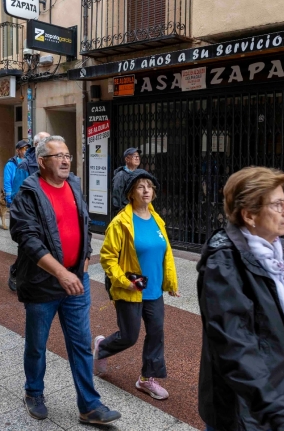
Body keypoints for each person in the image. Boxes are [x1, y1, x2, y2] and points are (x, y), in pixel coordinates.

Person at [10, 135, 121, 425]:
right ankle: (33, 392)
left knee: (82, 345)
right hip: (42, 284)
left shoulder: (73, 184)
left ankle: (89, 405)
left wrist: (85, 257)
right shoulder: (29, 192)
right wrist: (61, 273)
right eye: (58, 155)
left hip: (76, 282)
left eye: (68, 155)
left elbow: (84, 222)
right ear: (42, 161)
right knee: (37, 343)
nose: (65, 160)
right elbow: (28, 239)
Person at [196, 166, 284, 431]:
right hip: (246, 408)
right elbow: (235, 343)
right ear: (250, 215)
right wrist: (277, 413)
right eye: (278, 204)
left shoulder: (274, 253)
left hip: (272, 396)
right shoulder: (224, 262)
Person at [94, 170, 179, 400]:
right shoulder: (121, 222)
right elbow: (107, 257)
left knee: (156, 333)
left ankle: (146, 379)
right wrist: (124, 282)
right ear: (131, 193)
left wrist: (170, 282)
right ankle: (102, 348)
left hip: (154, 291)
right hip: (130, 290)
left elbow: (166, 254)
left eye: (149, 187)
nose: (146, 191)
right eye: (141, 187)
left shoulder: (157, 219)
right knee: (129, 336)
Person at [7, 132, 50, 291]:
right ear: (37, 145)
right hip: (30, 216)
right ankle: (16, 271)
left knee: (45, 248)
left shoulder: (52, 163)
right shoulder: (25, 166)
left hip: (48, 215)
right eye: (47, 141)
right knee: (27, 249)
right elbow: (18, 195)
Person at [6, 132, 50, 207]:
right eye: (46, 142)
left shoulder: (54, 162)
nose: (49, 145)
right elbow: (16, 194)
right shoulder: (22, 165)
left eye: (51, 141)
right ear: (36, 144)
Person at [111, 147, 141, 213]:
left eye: (138, 156)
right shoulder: (121, 175)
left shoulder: (138, 174)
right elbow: (116, 196)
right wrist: (120, 211)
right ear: (127, 159)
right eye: (134, 156)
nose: (137, 158)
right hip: (126, 211)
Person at [3, 139, 30, 204]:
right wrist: (9, 198)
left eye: (28, 148)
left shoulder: (30, 162)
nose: (27, 150)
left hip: (28, 197)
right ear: (18, 150)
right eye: (24, 148)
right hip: (16, 197)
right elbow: (7, 182)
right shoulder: (10, 165)